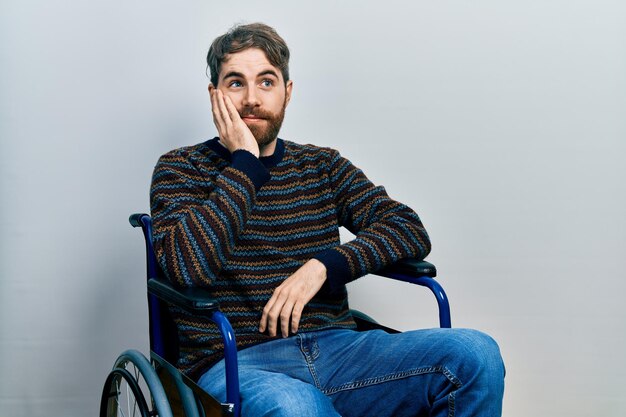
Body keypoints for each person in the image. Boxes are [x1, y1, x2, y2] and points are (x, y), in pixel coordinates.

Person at [150, 22, 504, 417]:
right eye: (236, 83)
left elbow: (407, 228)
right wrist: (245, 166)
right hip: (236, 362)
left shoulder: (321, 165)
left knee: (475, 354)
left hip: (339, 351)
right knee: (299, 406)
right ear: (215, 95)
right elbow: (186, 266)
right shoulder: (181, 168)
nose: (251, 99)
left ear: (288, 92)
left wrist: (322, 266)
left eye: (266, 82)